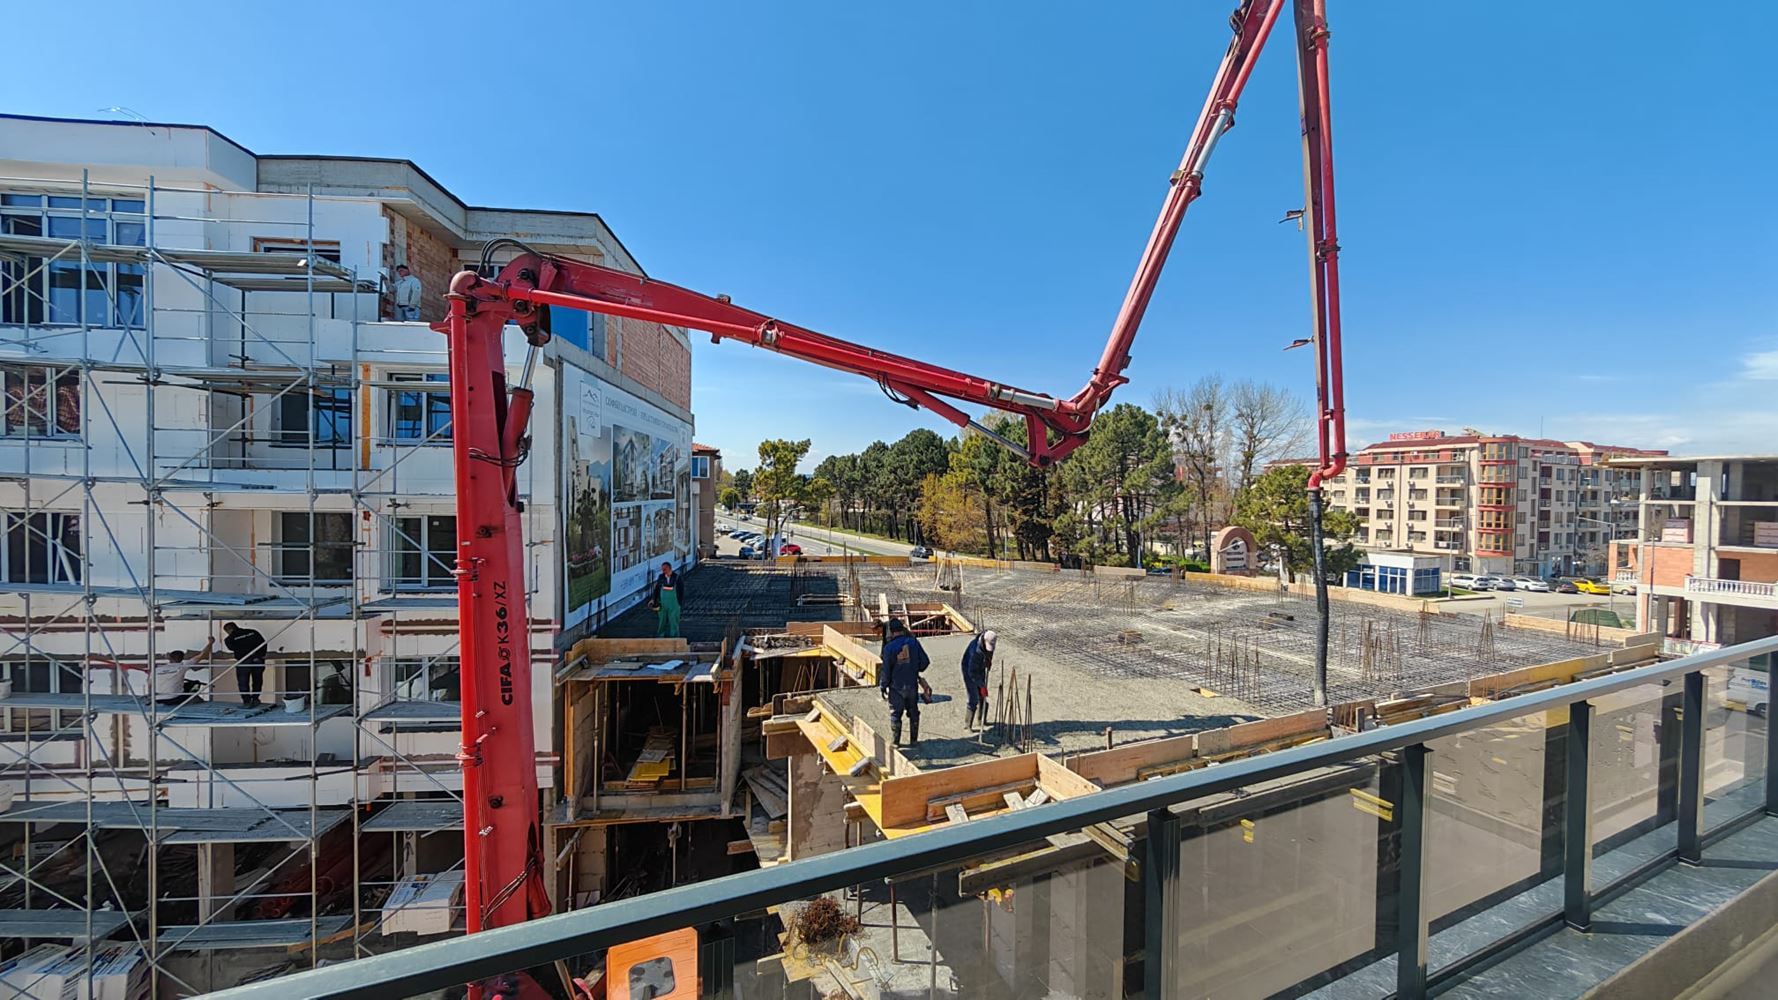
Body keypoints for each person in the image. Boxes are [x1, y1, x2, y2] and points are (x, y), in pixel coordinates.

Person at [877, 618, 930, 747]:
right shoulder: (914, 643)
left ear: (892, 631)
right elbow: (924, 662)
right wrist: (913, 668)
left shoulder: (889, 648)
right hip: (912, 685)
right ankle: (914, 741)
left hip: (896, 688)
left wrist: (883, 686)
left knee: (896, 714)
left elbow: (886, 671)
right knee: (913, 713)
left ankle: (896, 743)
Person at [151, 639, 215, 709]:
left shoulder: (157, 669)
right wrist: (210, 643)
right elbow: (201, 655)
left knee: (185, 686)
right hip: (173, 699)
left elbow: (150, 684)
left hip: (157, 699)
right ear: (182, 658)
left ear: (169, 658)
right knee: (196, 684)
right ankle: (194, 699)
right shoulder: (182, 666)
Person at [221, 621, 270, 707]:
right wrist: (261, 656)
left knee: (243, 681)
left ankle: (246, 701)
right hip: (257, 659)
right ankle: (255, 698)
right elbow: (263, 643)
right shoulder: (253, 632)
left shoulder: (229, 639)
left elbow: (231, 647)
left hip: (243, 661)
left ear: (228, 630)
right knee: (257, 680)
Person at [961, 629, 997, 730]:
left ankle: (981, 720)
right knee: (973, 696)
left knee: (983, 695)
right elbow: (972, 672)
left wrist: (989, 661)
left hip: (980, 667)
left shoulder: (989, 640)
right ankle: (968, 725)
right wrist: (981, 685)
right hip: (968, 670)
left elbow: (990, 652)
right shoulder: (975, 651)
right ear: (984, 641)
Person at [649, 562, 683, 638]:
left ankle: (674, 637)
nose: (663, 571)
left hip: (674, 604)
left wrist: (679, 603)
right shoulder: (661, 577)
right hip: (662, 604)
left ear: (669, 568)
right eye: (662, 569)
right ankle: (660, 637)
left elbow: (681, 591)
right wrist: (654, 600)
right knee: (662, 621)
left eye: (665, 569)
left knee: (674, 621)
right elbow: (657, 589)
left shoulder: (677, 577)